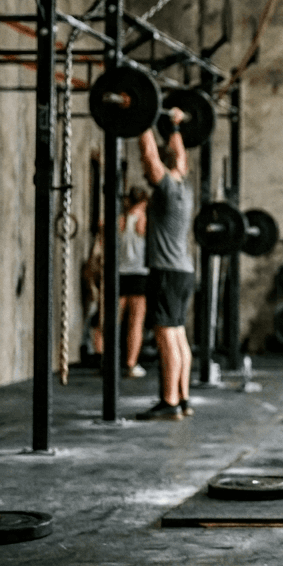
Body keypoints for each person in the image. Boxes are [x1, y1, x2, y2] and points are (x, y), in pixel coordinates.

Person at [135, 109, 194, 421]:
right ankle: (182, 397)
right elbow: (178, 157)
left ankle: (169, 401)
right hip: (183, 272)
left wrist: (141, 121)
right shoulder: (184, 186)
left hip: (167, 272)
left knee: (166, 336)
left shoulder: (168, 189)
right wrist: (173, 126)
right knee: (178, 335)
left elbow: (150, 158)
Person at [119, 186, 149, 378]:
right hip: (138, 275)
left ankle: (109, 361)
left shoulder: (119, 220)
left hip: (120, 274)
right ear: (144, 202)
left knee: (114, 320)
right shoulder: (144, 221)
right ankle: (131, 364)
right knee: (135, 323)